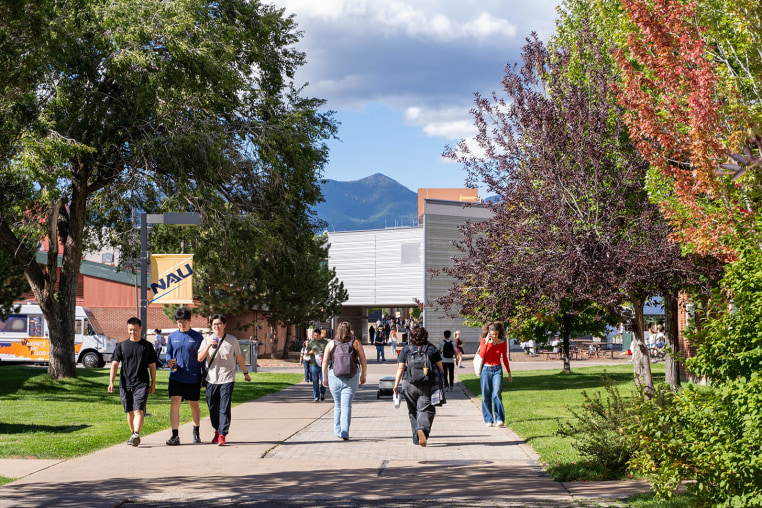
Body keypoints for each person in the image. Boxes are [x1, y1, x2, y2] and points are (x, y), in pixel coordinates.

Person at [198, 314, 251, 446]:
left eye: (220, 324)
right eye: (215, 324)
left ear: (224, 325)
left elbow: (239, 357)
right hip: (211, 378)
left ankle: (222, 434)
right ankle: (217, 429)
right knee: (212, 407)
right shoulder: (206, 340)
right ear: (211, 326)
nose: (217, 326)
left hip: (227, 377)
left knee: (224, 407)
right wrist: (209, 345)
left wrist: (246, 373)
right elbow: (199, 358)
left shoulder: (232, 340)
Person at [108, 317, 157, 447]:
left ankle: (136, 434)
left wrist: (153, 383)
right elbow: (114, 364)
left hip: (142, 383)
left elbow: (152, 365)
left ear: (140, 328)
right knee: (129, 411)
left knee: (139, 410)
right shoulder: (122, 346)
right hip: (125, 383)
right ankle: (132, 434)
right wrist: (111, 382)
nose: (132, 332)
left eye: (135, 330)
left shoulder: (147, 346)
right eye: (130, 330)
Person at [393, 326, 444, 447]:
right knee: (426, 409)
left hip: (408, 383)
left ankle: (416, 437)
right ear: (426, 336)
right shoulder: (432, 349)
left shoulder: (406, 349)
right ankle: (423, 431)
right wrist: (442, 382)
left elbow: (400, 367)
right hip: (426, 384)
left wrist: (396, 385)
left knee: (412, 411)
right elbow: (440, 368)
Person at [321, 321, 368, 440]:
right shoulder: (356, 343)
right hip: (351, 377)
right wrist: (363, 375)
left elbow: (325, 362)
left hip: (334, 376)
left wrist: (325, 377)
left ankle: (337, 430)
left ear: (338, 330)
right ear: (350, 330)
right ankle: (345, 432)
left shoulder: (331, 343)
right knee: (346, 406)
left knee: (337, 405)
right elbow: (363, 361)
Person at [165, 306, 204, 445]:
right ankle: (175, 435)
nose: (181, 324)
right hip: (176, 376)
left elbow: (203, 357)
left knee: (194, 404)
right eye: (179, 321)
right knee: (175, 402)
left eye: (184, 321)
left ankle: (196, 432)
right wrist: (170, 362)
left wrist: (203, 375)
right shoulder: (172, 337)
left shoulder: (198, 337)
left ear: (189, 320)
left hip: (193, 376)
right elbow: (169, 353)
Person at [478, 321, 512, 428]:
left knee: (497, 394)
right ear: (489, 332)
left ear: (499, 333)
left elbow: (505, 359)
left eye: (496, 334)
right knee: (485, 396)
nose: (494, 336)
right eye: (492, 334)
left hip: (497, 370)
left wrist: (509, 373)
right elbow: (482, 354)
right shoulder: (484, 341)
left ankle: (499, 419)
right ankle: (488, 419)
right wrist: (488, 343)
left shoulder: (502, 343)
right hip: (486, 370)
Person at [308, 328, 329, 402]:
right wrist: (310, 352)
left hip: (323, 364)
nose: (315, 337)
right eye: (314, 335)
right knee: (315, 381)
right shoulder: (312, 342)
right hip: (314, 364)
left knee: (324, 380)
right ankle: (316, 397)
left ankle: (322, 393)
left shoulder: (325, 342)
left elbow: (329, 352)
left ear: (320, 335)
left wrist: (324, 354)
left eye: (317, 335)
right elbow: (307, 352)